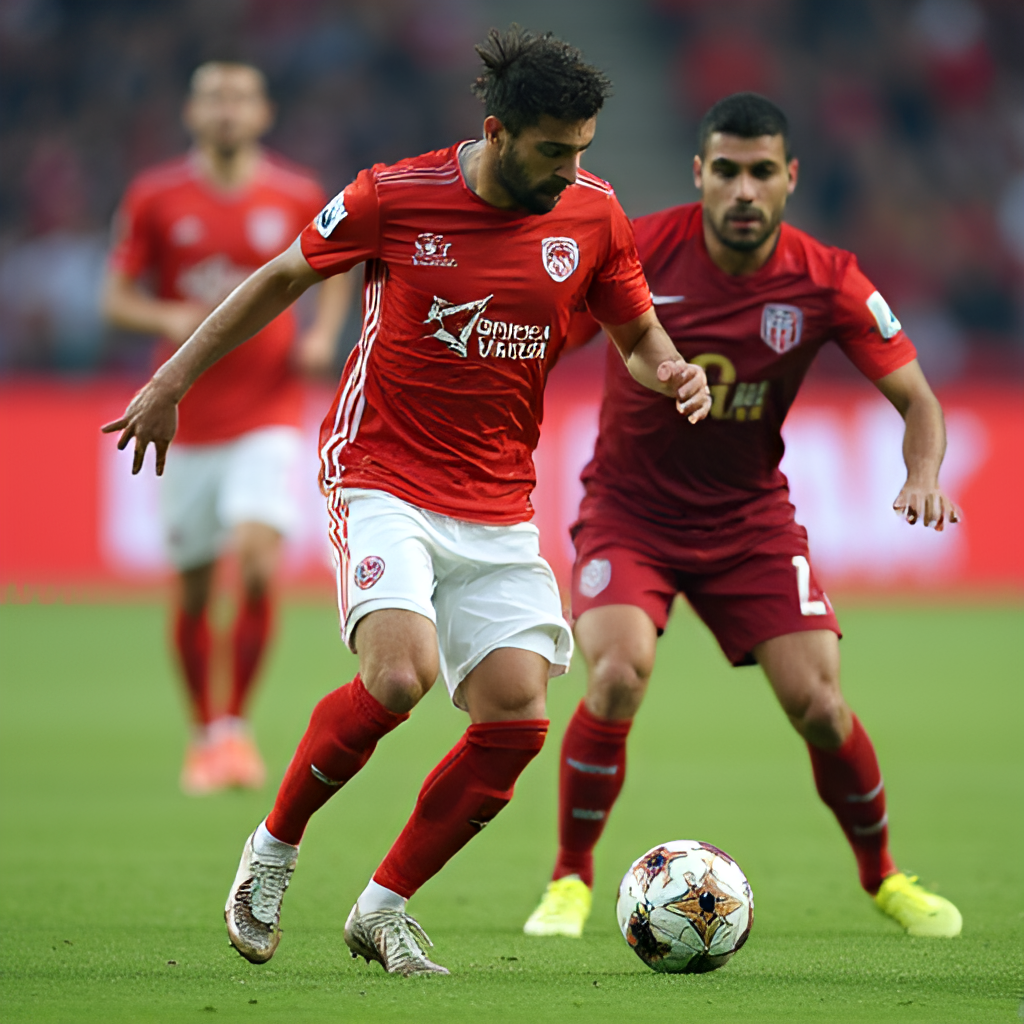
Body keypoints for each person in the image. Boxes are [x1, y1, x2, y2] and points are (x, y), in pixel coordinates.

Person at [102, 28, 713, 977]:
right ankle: (271, 850)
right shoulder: (395, 193)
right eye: (553, 150)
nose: (570, 169)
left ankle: (382, 908)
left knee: (516, 718)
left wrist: (672, 370)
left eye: (582, 149)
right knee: (399, 678)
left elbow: (637, 333)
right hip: (381, 472)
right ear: (497, 130)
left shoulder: (592, 212)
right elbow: (280, 280)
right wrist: (172, 380)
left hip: (501, 496)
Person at [523, 93, 963, 941]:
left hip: (749, 521)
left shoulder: (828, 278)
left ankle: (885, 879)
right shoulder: (638, 249)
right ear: (700, 175)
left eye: (762, 172)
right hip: (630, 510)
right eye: (726, 171)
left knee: (822, 706)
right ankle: (569, 880)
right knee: (616, 677)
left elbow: (917, 397)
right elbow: (546, 337)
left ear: (791, 178)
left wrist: (924, 473)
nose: (744, 190)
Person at [103, 62, 352, 795]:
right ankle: (203, 732)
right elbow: (114, 297)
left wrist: (322, 334)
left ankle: (235, 730)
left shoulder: (297, 193)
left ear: (263, 112)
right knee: (191, 589)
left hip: (267, 411)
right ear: (191, 111)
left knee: (254, 560)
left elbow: (333, 270)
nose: (226, 109)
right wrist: (166, 318)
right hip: (182, 418)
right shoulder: (155, 197)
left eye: (240, 97)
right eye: (213, 96)